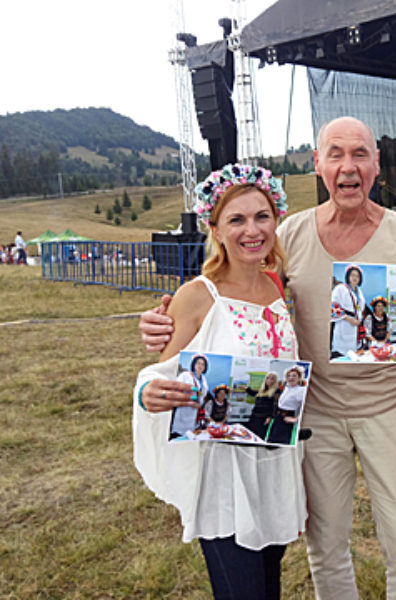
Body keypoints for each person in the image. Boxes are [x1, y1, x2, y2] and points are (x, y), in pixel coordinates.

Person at [138, 116, 396, 600]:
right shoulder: (289, 234)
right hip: (315, 416)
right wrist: (170, 317)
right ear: (318, 166)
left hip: (386, 410)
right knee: (325, 547)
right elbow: (235, 292)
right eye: (335, 154)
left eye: (359, 154)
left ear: (376, 166)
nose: (347, 166)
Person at [132, 163, 305, 599]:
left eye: (261, 216)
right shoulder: (198, 294)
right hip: (224, 472)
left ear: (276, 220)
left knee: (269, 585)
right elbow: (160, 372)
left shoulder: (277, 286)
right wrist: (149, 392)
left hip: (274, 463)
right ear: (215, 228)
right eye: (237, 219)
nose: (252, 230)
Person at [330, 263, 366, 357]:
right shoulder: (340, 288)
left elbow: (359, 307)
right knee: (341, 352)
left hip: (356, 324)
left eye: (357, 276)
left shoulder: (359, 291)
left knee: (354, 352)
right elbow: (333, 306)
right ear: (348, 276)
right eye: (353, 275)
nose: (355, 278)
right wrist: (349, 319)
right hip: (344, 322)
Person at [172, 353, 209, 438]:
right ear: (194, 364)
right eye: (198, 363)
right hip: (185, 409)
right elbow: (176, 390)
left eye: (203, 364)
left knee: (193, 433)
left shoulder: (203, 379)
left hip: (196, 412)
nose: (200, 366)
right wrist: (189, 402)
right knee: (181, 434)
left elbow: (203, 393)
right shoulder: (185, 375)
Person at [267, 365, 306, 445]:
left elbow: (307, 406)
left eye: (294, 376)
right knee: (271, 440)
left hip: (287, 418)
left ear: (299, 378)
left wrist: (296, 419)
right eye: (289, 376)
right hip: (278, 417)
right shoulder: (287, 388)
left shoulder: (301, 390)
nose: (291, 378)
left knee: (281, 442)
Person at [246, 372, 280, 439]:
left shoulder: (276, 391)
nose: (269, 380)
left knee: (260, 435)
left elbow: (276, 405)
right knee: (251, 433)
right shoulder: (263, 390)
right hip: (255, 415)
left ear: (275, 381)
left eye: (272, 379)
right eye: (268, 378)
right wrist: (247, 389)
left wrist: (270, 417)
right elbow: (255, 393)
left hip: (264, 417)